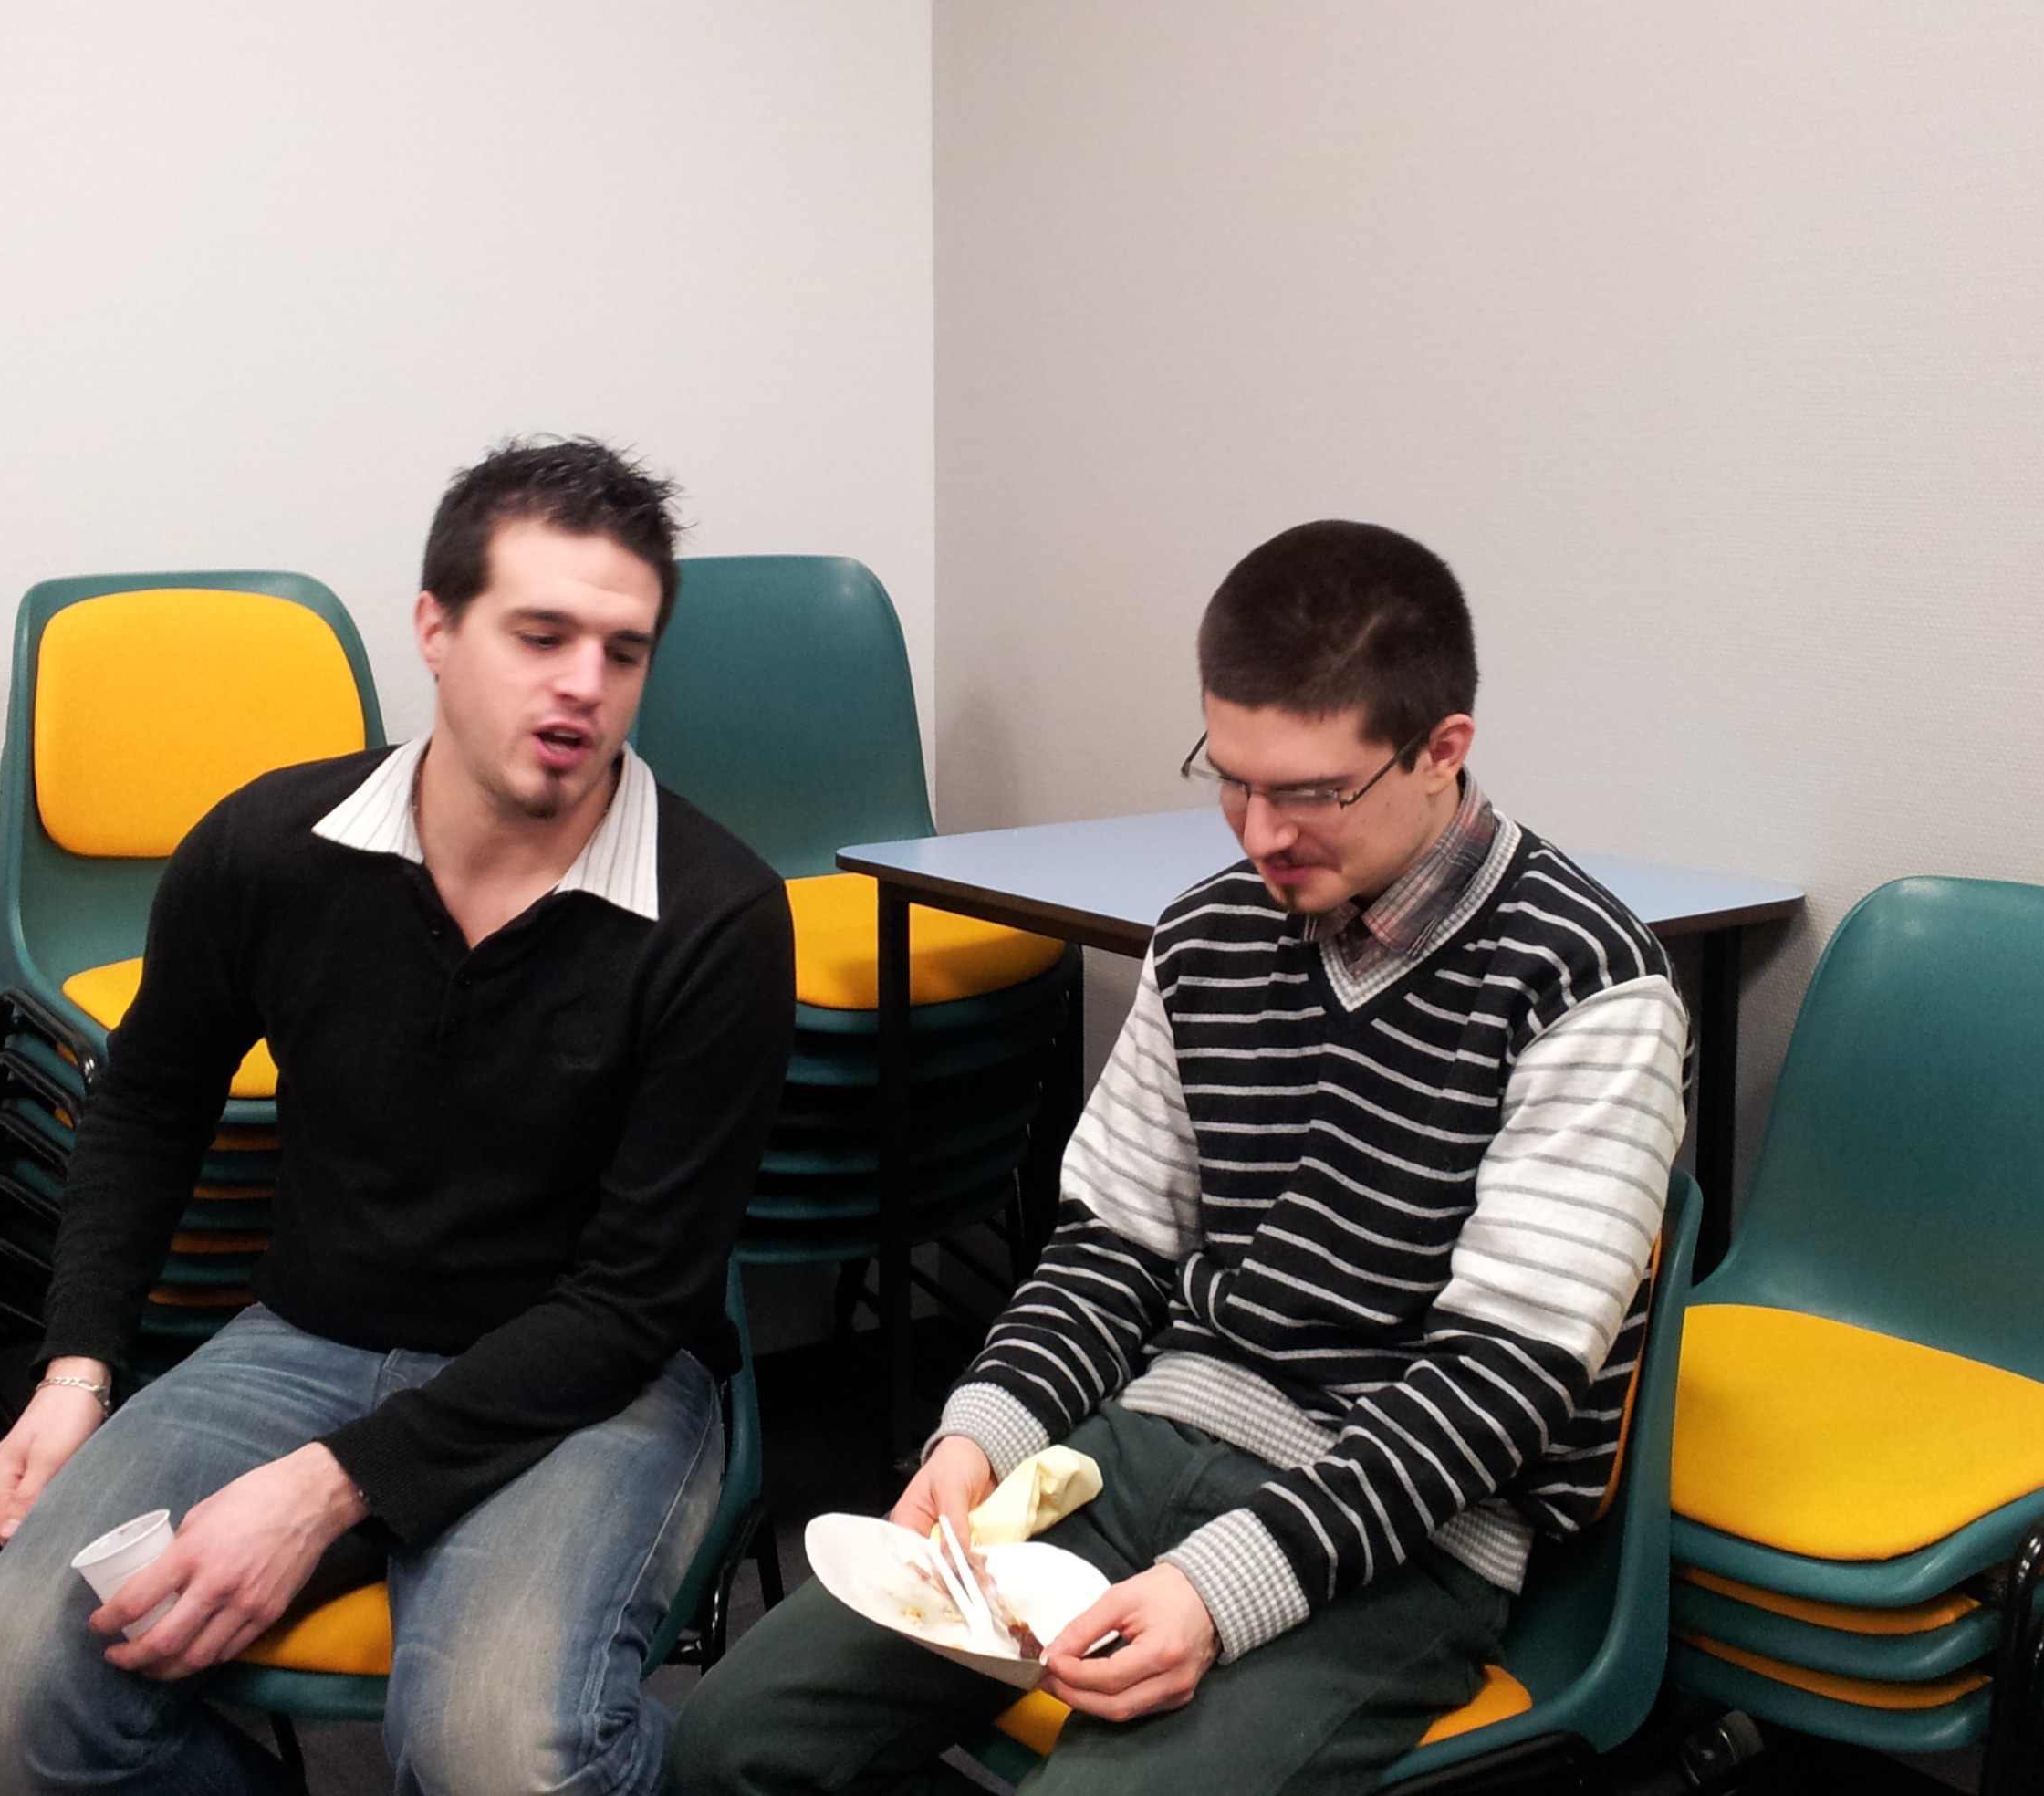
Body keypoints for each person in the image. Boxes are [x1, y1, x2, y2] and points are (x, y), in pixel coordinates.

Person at [673, 520, 1689, 1796]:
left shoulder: (1590, 985)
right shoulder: (1206, 937)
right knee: (731, 1736)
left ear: (1442, 750)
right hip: (1145, 1439)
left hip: (1406, 1528)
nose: (1259, 835)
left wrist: (1219, 1589)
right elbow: (1110, 1251)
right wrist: (974, 1440)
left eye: (1309, 793)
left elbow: (1497, 1387)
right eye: (1231, 778)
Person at [0, 438, 796, 1796]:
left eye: (622, 651)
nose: (584, 682)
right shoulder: (272, 848)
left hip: (591, 1379)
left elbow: (636, 1301)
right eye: (541, 634)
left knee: (496, 1757)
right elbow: (149, 1100)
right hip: (309, 1339)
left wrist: (330, 1484)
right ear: (435, 629)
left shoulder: (716, 916)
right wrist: (76, 1364)